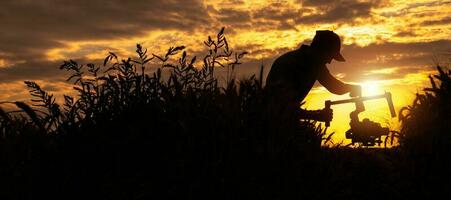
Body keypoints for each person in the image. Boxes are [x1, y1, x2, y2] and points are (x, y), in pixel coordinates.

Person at [265, 30, 361, 122]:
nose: (329, 62)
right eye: (330, 56)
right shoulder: (291, 64)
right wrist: (315, 115)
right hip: (270, 123)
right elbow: (281, 107)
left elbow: (333, 86)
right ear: (321, 51)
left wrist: (351, 88)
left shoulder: (315, 64)